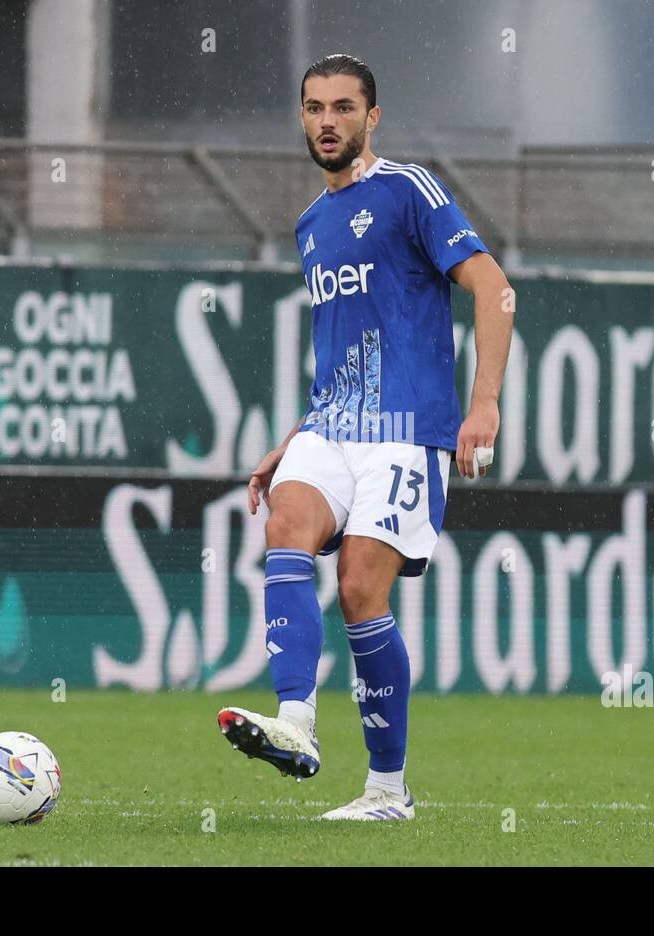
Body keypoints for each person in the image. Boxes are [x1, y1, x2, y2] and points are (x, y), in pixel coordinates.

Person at [216, 53, 514, 821]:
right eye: (314, 107)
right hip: (331, 425)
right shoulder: (311, 224)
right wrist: (296, 434)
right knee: (285, 521)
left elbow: (494, 288)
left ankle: (387, 791)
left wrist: (484, 404)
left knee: (358, 589)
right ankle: (296, 723)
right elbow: (346, 344)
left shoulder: (409, 191)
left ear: (371, 118)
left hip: (408, 432)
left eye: (343, 107)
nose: (326, 121)